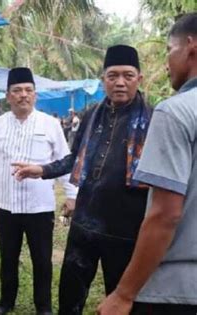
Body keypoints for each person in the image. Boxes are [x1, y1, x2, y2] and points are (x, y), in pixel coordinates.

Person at [12, 45, 153, 315]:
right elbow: (74, 158)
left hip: (126, 226)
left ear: (139, 79)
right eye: (112, 76)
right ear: (104, 80)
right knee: (70, 295)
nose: (120, 82)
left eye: (127, 75)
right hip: (85, 221)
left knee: (120, 298)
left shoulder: (153, 119)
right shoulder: (91, 116)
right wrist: (41, 169)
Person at [97, 13, 197, 315]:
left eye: (169, 49)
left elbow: (165, 214)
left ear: (190, 46)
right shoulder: (93, 118)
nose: (167, 61)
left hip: (175, 288)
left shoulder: (171, 113)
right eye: (112, 76)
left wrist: (124, 294)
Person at [0, 67, 78, 315]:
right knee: (8, 258)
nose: (23, 95)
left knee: (42, 260)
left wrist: (71, 195)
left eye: (28, 90)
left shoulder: (50, 125)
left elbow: (65, 162)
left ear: (35, 95)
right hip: (6, 205)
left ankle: (43, 307)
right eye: (17, 91)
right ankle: (5, 302)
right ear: (8, 95)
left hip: (39, 207)